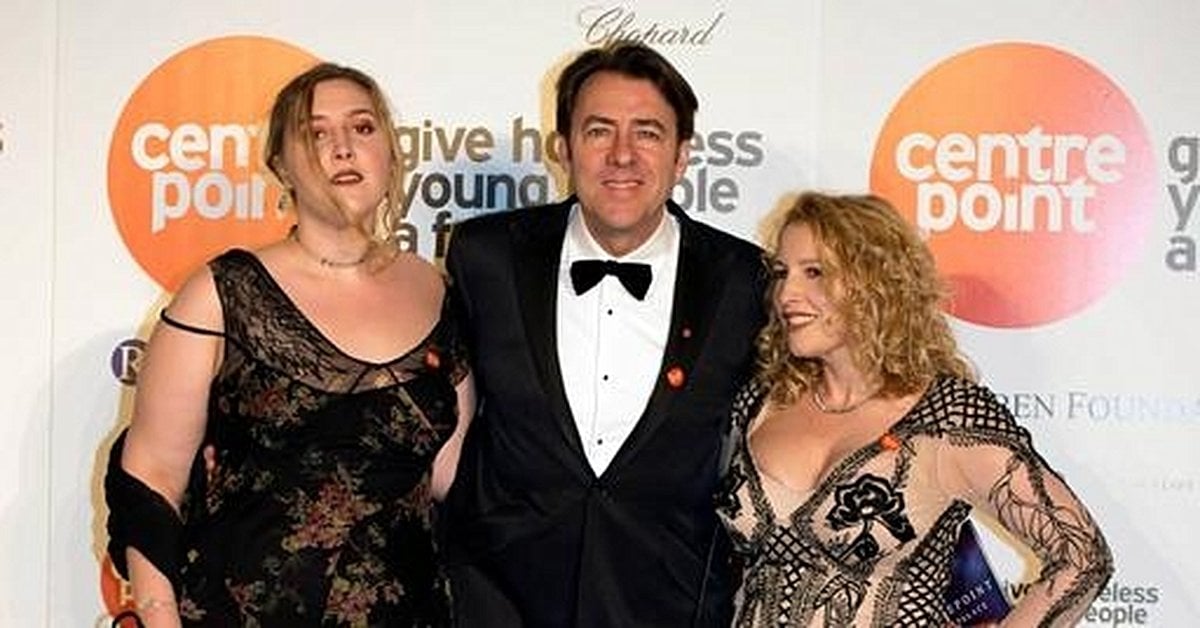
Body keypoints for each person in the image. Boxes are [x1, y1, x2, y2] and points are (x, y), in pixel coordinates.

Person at [104, 62, 474, 627]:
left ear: (391, 152)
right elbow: (152, 474)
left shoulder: (439, 292)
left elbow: (449, 477)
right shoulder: (221, 293)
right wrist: (157, 616)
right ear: (281, 165)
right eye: (315, 133)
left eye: (362, 127)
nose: (343, 148)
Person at [441, 42, 766, 627]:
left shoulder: (745, 281)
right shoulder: (485, 256)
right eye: (598, 131)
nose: (622, 155)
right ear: (563, 148)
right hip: (499, 602)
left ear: (682, 155)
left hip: (671, 605)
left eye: (647, 133)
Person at [716, 191, 1114, 626]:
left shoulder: (946, 418)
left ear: (874, 283)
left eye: (815, 272)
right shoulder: (759, 402)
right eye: (781, 273)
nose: (787, 294)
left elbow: (1083, 557)